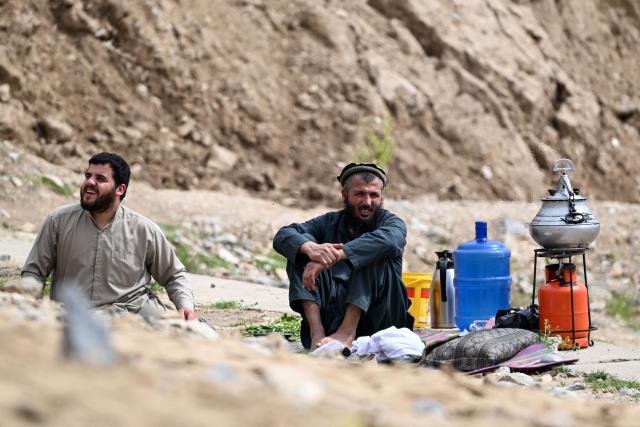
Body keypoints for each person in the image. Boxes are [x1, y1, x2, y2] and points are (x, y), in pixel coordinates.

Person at [20, 152, 197, 320]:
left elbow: (174, 275)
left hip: (134, 316)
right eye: (88, 176)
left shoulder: (145, 230)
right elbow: (34, 272)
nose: (89, 182)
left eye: (100, 179)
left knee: (201, 336)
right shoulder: (57, 221)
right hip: (73, 317)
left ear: (120, 189)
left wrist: (186, 306)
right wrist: (27, 304)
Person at [273, 163, 412, 350]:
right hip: (331, 317)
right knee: (300, 253)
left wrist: (337, 255)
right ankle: (317, 333)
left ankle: (347, 333)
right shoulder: (328, 222)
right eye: (360, 194)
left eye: (374, 195)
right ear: (344, 195)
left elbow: (390, 241)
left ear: (381, 197)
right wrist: (311, 249)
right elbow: (284, 235)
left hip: (381, 322)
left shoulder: (391, 223)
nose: (367, 202)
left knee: (374, 253)